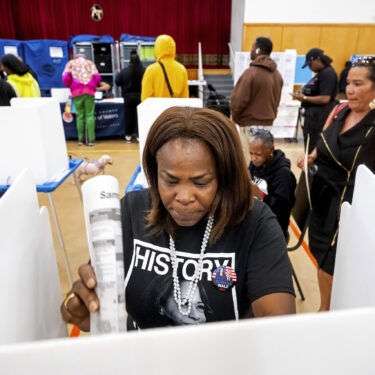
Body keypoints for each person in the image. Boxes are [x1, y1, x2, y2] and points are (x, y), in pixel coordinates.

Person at [61, 107, 295, 332]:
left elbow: (277, 327)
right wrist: (85, 310)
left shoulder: (254, 222)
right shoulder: (132, 211)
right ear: (154, 172)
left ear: (224, 177)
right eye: (170, 181)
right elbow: (93, 313)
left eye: (201, 182)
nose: (184, 197)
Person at [297, 56, 375, 311]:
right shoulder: (340, 110)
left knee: (333, 264)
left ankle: (326, 312)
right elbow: (323, 142)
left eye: (358, 84)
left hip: (348, 208)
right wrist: (311, 157)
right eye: (349, 83)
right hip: (321, 198)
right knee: (321, 257)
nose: (350, 90)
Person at [231, 37, 283, 166]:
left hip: (248, 124)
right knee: (262, 160)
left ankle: (249, 185)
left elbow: (238, 101)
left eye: (252, 48)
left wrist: (236, 119)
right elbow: (276, 101)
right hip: (268, 123)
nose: (251, 51)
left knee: (248, 160)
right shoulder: (277, 75)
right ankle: (260, 184)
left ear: (258, 49)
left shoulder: (251, 73)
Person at [248, 128, 296, 241]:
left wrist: (261, 195)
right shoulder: (255, 164)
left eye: (258, 154)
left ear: (271, 150)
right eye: (251, 153)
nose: (253, 158)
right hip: (257, 219)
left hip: (274, 229)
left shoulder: (283, 175)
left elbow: (282, 210)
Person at [293, 48, 338, 153]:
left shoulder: (328, 74)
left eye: (310, 64)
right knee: (309, 146)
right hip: (313, 118)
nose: (309, 67)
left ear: (317, 59)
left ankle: (311, 168)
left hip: (319, 119)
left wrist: (304, 98)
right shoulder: (321, 74)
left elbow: (325, 98)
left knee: (313, 147)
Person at [62, 55, 101, 146]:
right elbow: (97, 77)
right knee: (90, 115)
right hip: (89, 91)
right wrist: (93, 85)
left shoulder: (70, 63)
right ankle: (91, 139)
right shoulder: (90, 63)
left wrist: (70, 85)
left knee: (80, 115)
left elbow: (65, 78)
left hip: (76, 91)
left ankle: (81, 139)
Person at [141, 34, 189, 101]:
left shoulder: (151, 70)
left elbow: (145, 99)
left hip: (157, 111)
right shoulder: (182, 69)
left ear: (157, 48)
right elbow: (185, 98)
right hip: (175, 111)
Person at [116, 49, 145, 143]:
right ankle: (139, 136)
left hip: (128, 97)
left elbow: (117, 81)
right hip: (140, 96)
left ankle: (128, 136)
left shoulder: (125, 71)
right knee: (139, 116)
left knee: (128, 116)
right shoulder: (144, 70)